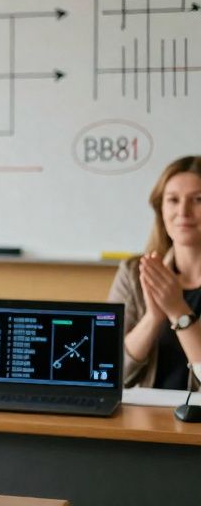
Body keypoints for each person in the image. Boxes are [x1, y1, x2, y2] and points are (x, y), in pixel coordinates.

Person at [110, 156, 201, 390]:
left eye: (198, 200)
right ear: (160, 208)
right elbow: (110, 372)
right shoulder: (133, 272)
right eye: (173, 200)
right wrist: (153, 318)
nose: (183, 211)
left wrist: (178, 311)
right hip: (146, 413)